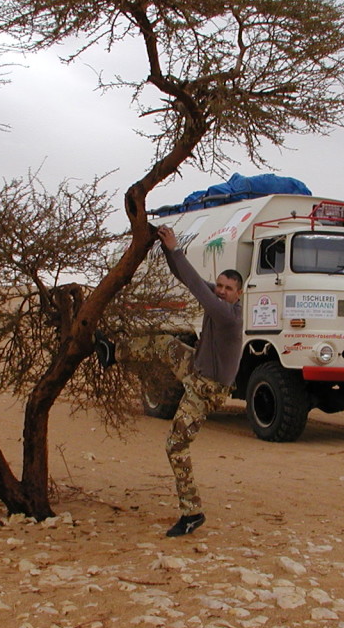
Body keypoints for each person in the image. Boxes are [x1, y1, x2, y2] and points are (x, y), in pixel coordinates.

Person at [96, 224, 243, 537]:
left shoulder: (227, 315)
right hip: (196, 368)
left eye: (228, 288)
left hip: (206, 391)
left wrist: (176, 248)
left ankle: (192, 512)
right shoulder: (217, 301)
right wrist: (166, 247)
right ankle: (112, 352)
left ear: (238, 294)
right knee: (164, 344)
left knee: (175, 446)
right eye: (219, 286)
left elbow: (196, 286)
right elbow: (186, 278)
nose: (221, 291)